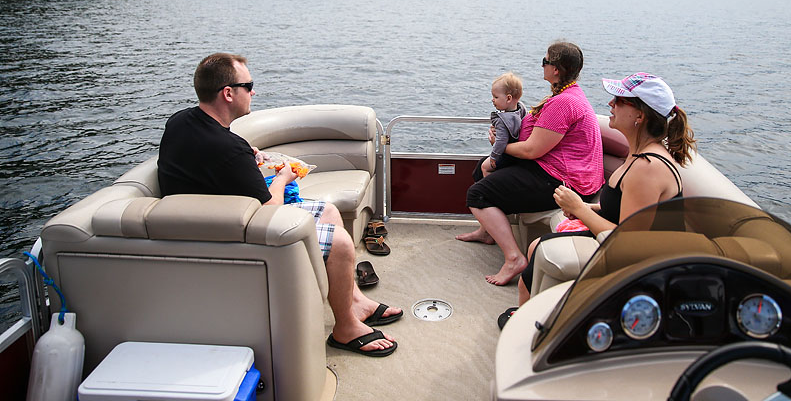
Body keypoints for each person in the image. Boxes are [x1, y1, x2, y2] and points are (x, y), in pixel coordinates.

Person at [157, 53, 401, 357]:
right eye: (249, 85)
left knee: (329, 212)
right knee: (340, 243)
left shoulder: (182, 121)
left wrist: (247, 155)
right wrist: (283, 177)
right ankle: (344, 329)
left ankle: (354, 302)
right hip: (230, 237)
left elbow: (212, 160)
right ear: (228, 93)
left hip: (216, 217)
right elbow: (270, 209)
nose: (253, 92)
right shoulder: (226, 148)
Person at [515, 72, 696, 307]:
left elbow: (629, 239)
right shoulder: (640, 154)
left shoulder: (647, 168)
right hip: (617, 241)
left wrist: (579, 208)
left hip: (635, 261)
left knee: (538, 250)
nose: (611, 104)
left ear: (639, 115)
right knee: (535, 251)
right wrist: (589, 208)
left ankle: (535, 328)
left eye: (620, 100)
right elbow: (626, 209)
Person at [457, 41, 604, 286]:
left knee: (478, 195)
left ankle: (514, 258)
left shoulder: (564, 103)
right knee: (481, 166)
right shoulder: (568, 95)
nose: (542, 65)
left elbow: (532, 149)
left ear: (556, 69)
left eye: (545, 61)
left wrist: (501, 147)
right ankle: (487, 231)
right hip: (556, 171)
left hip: (562, 183)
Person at [480, 72, 526, 177]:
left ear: (508, 98)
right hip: (517, 153)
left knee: (484, 167)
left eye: (496, 97)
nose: (492, 100)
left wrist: (493, 157)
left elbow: (501, 141)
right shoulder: (521, 109)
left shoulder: (502, 121)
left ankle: (488, 187)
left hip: (506, 156)